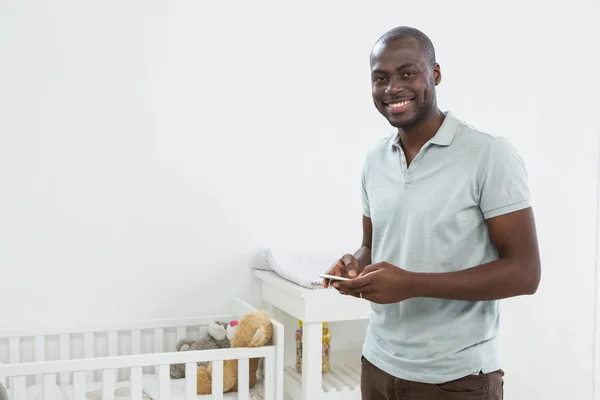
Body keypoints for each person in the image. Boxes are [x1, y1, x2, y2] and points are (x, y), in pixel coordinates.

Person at [323, 26, 541, 400]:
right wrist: (353, 268)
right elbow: (372, 246)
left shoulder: (489, 154)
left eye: (407, 73)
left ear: (435, 74)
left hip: (455, 379)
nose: (392, 88)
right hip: (376, 366)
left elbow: (525, 274)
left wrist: (411, 284)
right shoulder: (375, 159)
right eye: (380, 78)